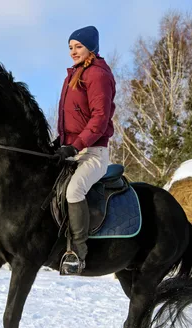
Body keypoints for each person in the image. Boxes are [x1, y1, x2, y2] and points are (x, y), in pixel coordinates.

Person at [53, 25, 116, 274]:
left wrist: (76, 145)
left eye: (78, 46)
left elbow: (100, 119)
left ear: (91, 47)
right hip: (72, 150)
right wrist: (60, 144)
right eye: (70, 47)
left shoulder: (98, 75)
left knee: (74, 190)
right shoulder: (73, 75)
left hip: (93, 153)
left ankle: (77, 253)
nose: (73, 52)